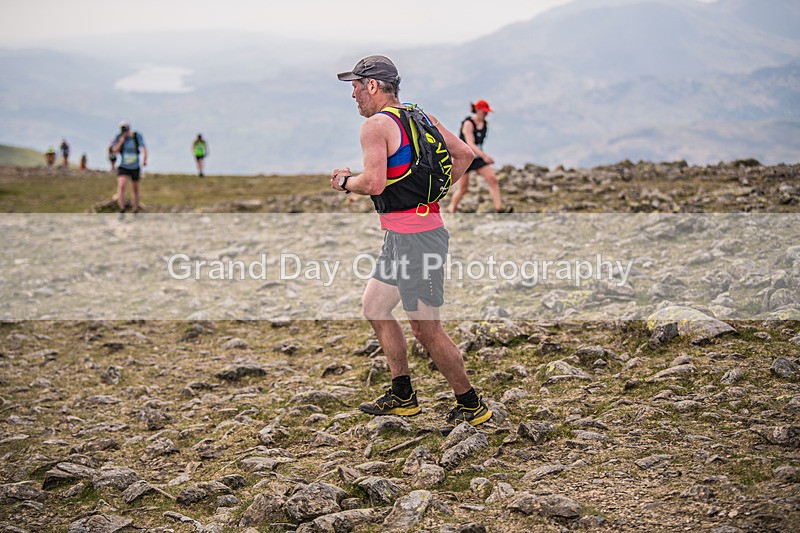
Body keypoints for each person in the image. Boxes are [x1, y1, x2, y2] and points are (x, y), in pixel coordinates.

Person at [332, 55, 493, 431]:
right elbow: (465, 155)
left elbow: (373, 183)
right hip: (407, 235)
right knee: (375, 306)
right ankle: (403, 394)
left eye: (356, 86)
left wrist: (343, 181)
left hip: (417, 240)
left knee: (426, 329)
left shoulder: (375, 126)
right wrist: (429, 195)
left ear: (373, 86)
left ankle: (471, 405)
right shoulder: (420, 116)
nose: (353, 94)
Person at [446, 100, 512, 214]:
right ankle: (451, 209)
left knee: (492, 179)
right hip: (465, 157)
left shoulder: (485, 124)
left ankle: (499, 208)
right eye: (484, 112)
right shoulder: (468, 124)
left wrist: (482, 156)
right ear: (478, 110)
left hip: (477, 158)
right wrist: (485, 156)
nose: (486, 114)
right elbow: (470, 143)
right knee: (463, 188)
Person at [111, 121, 147, 214]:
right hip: (123, 166)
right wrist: (121, 142)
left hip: (135, 166)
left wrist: (144, 159)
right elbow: (114, 150)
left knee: (135, 188)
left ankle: (135, 209)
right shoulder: (119, 137)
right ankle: (121, 208)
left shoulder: (136, 136)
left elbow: (143, 147)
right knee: (121, 185)